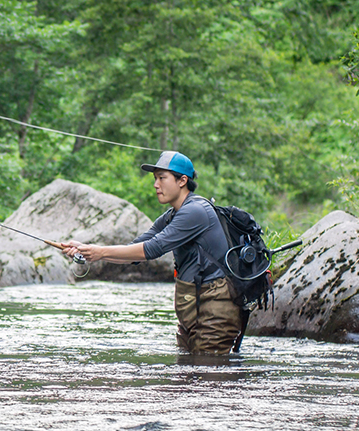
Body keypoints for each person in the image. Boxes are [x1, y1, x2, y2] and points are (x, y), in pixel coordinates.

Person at [61, 151, 243, 354]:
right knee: (186, 373)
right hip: (195, 306)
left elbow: (152, 249)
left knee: (206, 372)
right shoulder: (172, 215)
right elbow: (137, 247)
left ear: (182, 180)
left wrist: (100, 252)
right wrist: (86, 250)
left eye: (162, 178)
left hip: (215, 306)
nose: (156, 185)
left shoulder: (195, 211)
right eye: (155, 178)